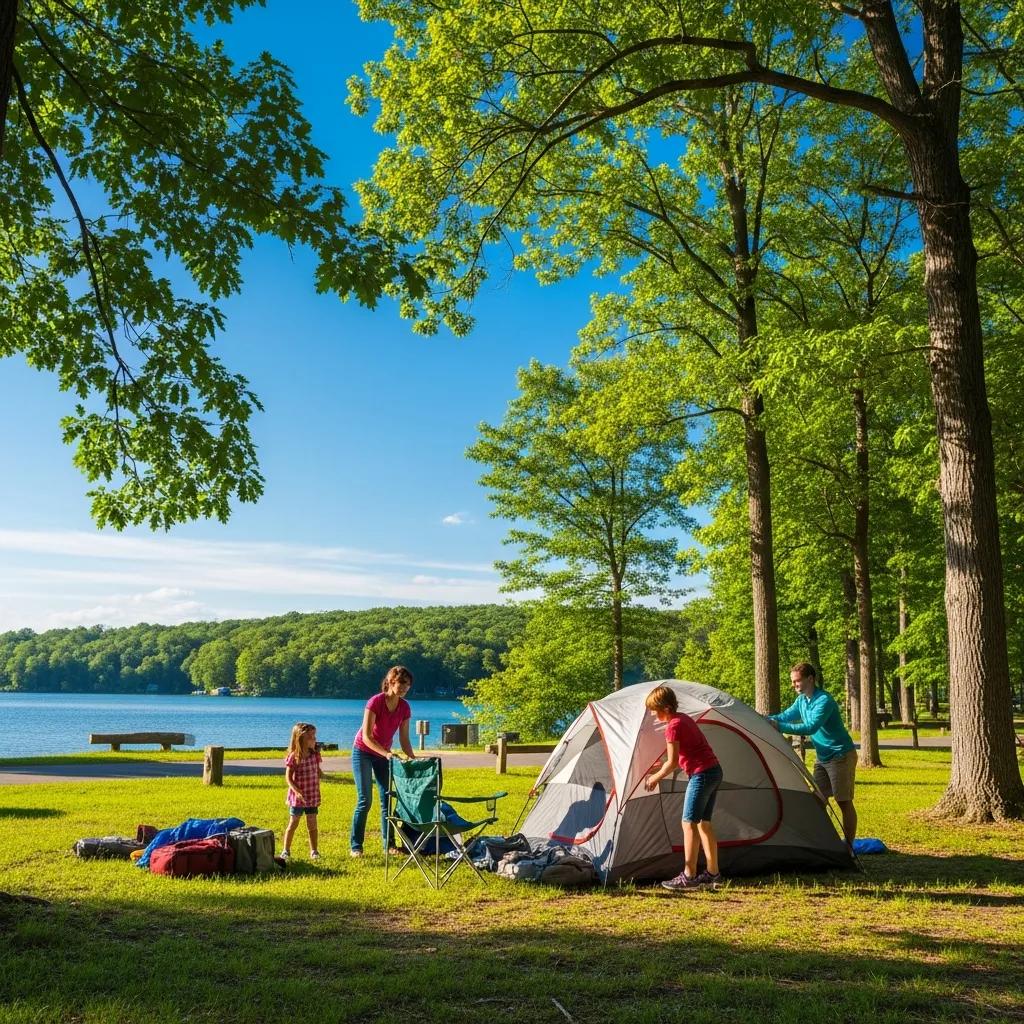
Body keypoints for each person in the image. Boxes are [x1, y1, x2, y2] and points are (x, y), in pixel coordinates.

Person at [767, 661, 858, 846]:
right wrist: (764, 719)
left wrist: (778, 726)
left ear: (810, 678)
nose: (794, 685)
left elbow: (810, 727)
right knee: (817, 801)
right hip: (823, 758)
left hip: (840, 756)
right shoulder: (802, 700)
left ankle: (849, 847)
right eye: (792, 682)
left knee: (843, 802)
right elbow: (785, 716)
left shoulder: (824, 700)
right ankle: (821, 842)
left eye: (797, 681)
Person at [644, 685, 723, 891]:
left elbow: (672, 764)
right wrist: (658, 767)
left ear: (666, 708)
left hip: (701, 775)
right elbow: (680, 755)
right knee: (704, 823)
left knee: (688, 823)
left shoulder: (673, 726)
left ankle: (689, 875)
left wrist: (655, 777)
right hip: (714, 771)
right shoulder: (683, 719)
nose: (653, 714)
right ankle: (713, 874)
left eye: (655, 709)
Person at [349, 665, 417, 857]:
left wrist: (414, 760)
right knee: (365, 800)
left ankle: (389, 845)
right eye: (402, 683)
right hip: (363, 751)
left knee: (387, 800)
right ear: (390, 682)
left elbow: (404, 740)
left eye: (408, 685)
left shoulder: (404, 707)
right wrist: (387, 753)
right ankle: (356, 846)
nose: (405, 688)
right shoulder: (375, 702)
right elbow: (367, 736)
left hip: (384, 754)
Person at [282, 721, 324, 861]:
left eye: (314, 736)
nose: (314, 739)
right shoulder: (294, 757)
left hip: (312, 795)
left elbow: (317, 770)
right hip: (298, 798)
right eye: (311, 737)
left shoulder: (315, 755)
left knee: (312, 824)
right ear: (300, 739)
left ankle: (314, 851)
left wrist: (319, 773)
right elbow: (288, 778)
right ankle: (286, 851)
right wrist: (297, 791)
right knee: (293, 823)